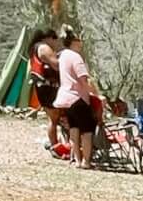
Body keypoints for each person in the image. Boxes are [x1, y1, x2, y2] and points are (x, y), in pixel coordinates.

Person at [54, 27, 99, 169]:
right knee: (87, 131)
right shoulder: (76, 57)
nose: (81, 43)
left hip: (65, 98)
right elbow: (83, 81)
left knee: (74, 129)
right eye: (79, 40)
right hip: (77, 98)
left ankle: (77, 160)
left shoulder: (63, 56)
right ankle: (86, 161)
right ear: (74, 41)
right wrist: (97, 94)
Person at [28, 29, 63, 153]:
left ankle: (56, 143)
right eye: (54, 38)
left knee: (53, 118)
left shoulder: (35, 48)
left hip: (42, 88)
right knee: (54, 118)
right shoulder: (44, 48)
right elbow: (57, 65)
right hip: (48, 87)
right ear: (48, 38)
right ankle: (56, 145)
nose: (56, 41)